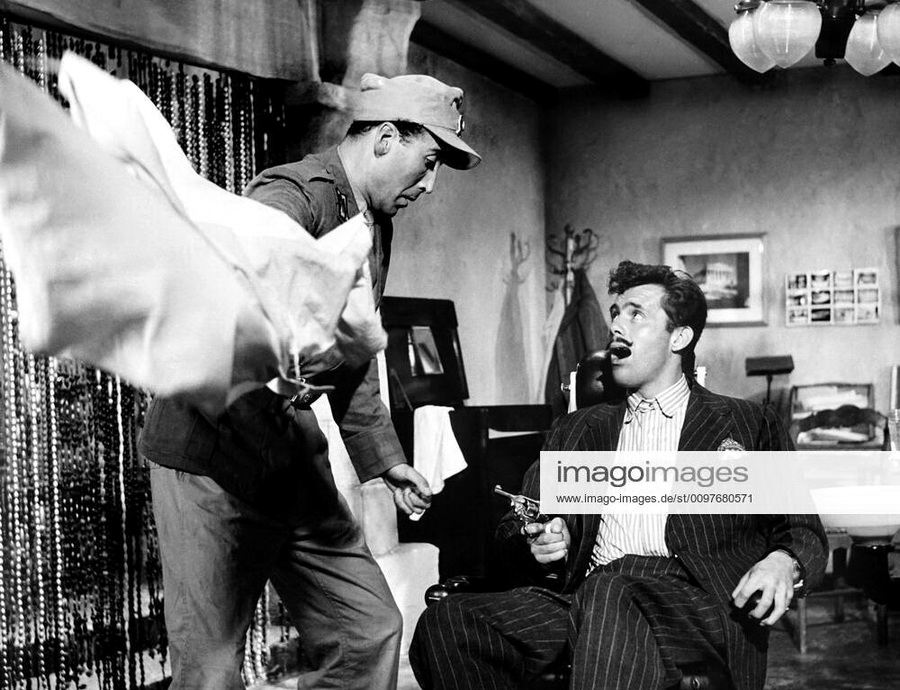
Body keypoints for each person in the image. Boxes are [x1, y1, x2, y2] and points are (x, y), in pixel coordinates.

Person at [138, 72, 482, 690]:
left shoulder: (375, 223)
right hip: (211, 446)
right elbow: (243, 267)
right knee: (210, 666)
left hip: (287, 448)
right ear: (385, 138)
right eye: (429, 162)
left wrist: (386, 462)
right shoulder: (296, 192)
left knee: (367, 630)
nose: (429, 184)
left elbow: (353, 357)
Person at [410, 260, 828, 690]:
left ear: (679, 337)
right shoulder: (578, 430)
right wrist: (535, 541)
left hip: (696, 603)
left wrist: (783, 562)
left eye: (636, 314)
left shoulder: (746, 424)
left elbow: (803, 531)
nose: (616, 326)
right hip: (589, 595)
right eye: (615, 313)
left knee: (610, 592)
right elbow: (516, 523)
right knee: (448, 622)